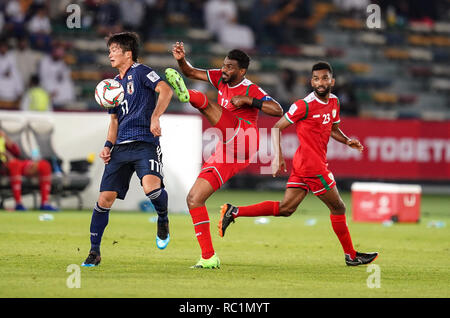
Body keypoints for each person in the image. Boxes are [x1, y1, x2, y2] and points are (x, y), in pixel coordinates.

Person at [218, 61, 379, 266]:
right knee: (338, 207)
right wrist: (279, 156)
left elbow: (332, 128)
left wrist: (347, 140)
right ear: (311, 81)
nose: (320, 82)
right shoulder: (304, 105)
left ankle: (234, 211)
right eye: (316, 78)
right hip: (313, 167)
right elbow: (277, 127)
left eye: (324, 78)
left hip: (306, 165)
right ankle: (351, 255)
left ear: (332, 81)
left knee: (287, 208)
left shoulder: (335, 102)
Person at [166, 42, 283, 268]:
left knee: (207, 106)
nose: (224, 70)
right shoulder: (220, 78)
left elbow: (277, 110)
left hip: (246, 138)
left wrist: (251, 101)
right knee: (194, 198)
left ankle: (187, 95)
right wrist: (181, 59)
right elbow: (190, 71)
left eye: (230, 67)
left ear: (242, 72)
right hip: (228, 150)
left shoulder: (251, 89)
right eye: (224, 65)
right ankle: (209, 258)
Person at [81, 32, 173, 267]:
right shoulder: (111, 85)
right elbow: (114, 122)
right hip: (120, 148)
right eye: (109, 50)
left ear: (128, 53)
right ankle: (94, 252)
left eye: (114, 50)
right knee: (104, 199)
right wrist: (107, 145)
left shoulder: (141, 72)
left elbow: (166, 90)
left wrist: (155, 117)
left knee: (151, 189)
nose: (110, 54)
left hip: (145, 143)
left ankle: (162, 218)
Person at [0, 129, 57, 211]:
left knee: (45, 165)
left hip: (18, 162)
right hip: (5, 166)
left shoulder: (2, 138)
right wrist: (6, 155)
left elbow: (16, 152)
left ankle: (44, 203)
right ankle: (18, 204)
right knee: (14, 164)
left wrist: (5, 137)